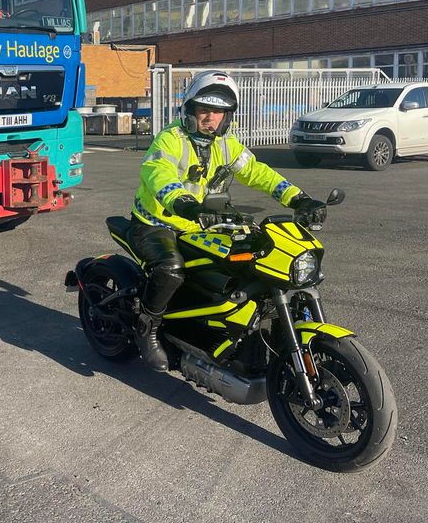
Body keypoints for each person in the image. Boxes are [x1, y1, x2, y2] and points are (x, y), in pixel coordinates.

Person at [128, 70, 327, 371]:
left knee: (251, 258)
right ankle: (148, 326)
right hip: (157, 222)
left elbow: (259, 173)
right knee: (171, 268)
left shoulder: (227, 144)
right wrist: (183, 203)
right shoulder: (170, 139)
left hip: (204, 223)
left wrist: (298, 198)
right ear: (191, 110)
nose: (211, 118)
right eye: (204, 110)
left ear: (227, 116)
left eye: (218, 112)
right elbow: (158, 174)